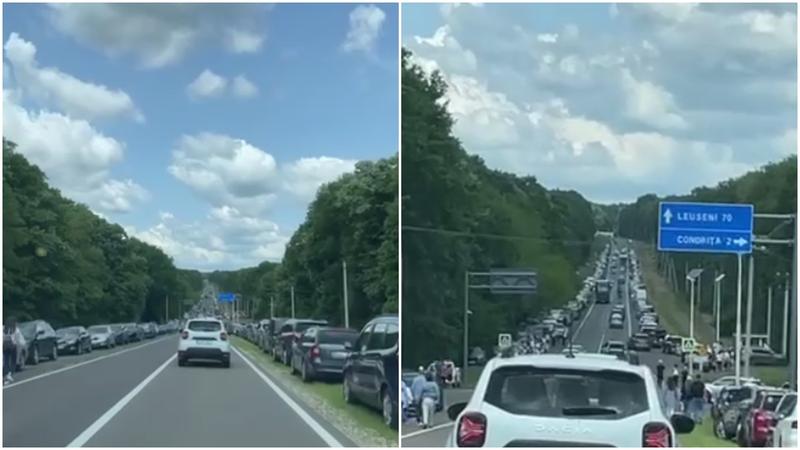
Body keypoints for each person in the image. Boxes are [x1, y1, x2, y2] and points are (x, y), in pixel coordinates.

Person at [3, 317, 24, 384]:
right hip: (13, 347)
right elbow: (19, 341)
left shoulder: (3, 328)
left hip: (5, 347)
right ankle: (10, 374)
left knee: (6, 361)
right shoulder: (16, 330)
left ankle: (6, 374)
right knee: (13, 362)